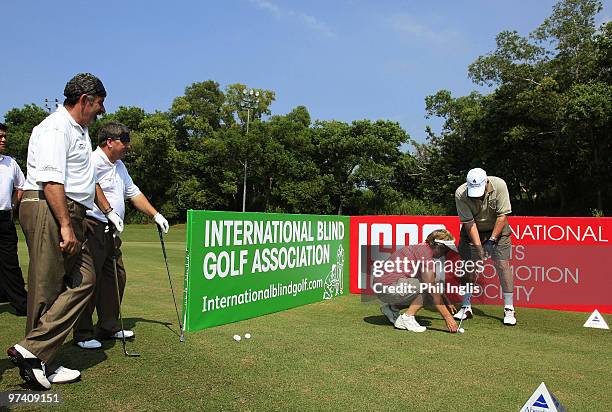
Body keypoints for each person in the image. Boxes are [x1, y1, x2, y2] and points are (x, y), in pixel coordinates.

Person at [6, 73, 124, 389]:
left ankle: (36, 352)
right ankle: (41, 360)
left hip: (66, 209)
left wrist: (92, 212)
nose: (101, 111)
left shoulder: (79, 130)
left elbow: (80, 181)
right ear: (85, 100)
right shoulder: (55, 128)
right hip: (48, 206)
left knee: (85, 279)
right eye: (99, 104)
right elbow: (51, 181)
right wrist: (66, 225)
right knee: (46, 286)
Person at [73, 122, 169, 350]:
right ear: (109, 142)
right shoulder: (91, 161)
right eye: (123, 142)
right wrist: (107, 213)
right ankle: (83, 333)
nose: (128, 146)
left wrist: (155, 214)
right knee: (89, 280)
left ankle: (108, 326)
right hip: (93, 227)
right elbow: (86, 188)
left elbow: (133, 193)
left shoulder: (119, 166)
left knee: (116, 277)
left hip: (113, 232)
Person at [454, 167, 516, 326]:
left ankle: (509, 308)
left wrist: (491, 241)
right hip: (473, 232)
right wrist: (479, 247)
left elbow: (502, 216)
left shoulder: (499, 185)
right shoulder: (461, 193)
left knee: (502, 265)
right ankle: (466, 306)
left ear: (486, 182)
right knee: (469, 267)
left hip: (498, 230)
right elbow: (469, 223)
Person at [375, 229, 460, 333]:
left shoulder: (423, 249)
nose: (446, 254)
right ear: (438, 246)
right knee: (428, 290)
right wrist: (448, 317)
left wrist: (446, 301)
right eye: (446, 250)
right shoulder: (425, 252)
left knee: (431, 287)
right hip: (388, 287)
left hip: (384, 287)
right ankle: (407, 317)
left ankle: (392, 308)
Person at [0, 123, 28, 316]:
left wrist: (14, 205)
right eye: (0, 136)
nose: (4, 140)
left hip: (4, 217)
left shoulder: (10, 162)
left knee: (9, 261)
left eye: (4, 136)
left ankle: (20, 302)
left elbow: (21, 186)